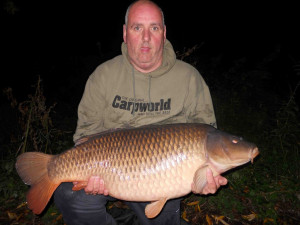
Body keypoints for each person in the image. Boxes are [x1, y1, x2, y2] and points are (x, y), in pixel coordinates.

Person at [54, 0, 227, 224]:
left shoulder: (189, 78)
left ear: (164, 34)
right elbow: (86, 134)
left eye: (154, 28)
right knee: (70, 195)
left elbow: (205, 134)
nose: (146, 38)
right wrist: (92, 175)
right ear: (125, 33)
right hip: (108, 170)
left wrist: (205, 179)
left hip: (163, 177)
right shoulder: (103, 76)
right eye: (137, 28)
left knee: (161, 216)